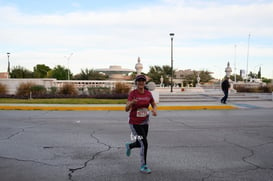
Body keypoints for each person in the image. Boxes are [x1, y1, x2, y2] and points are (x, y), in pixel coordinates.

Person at [125, 74, 157, 174]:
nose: (141, 82)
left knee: (141, 143)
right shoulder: (133, 93)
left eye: (143, 81)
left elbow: (153, 103)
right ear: (136, 82)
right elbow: (126, 109)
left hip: (145, 121)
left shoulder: (148, 93)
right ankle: (143, 165)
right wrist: (131, 103)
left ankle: (129, 146)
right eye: (139, 81)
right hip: (135, 123)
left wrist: (154, 110)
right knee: (144, 143)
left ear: (145, 82)